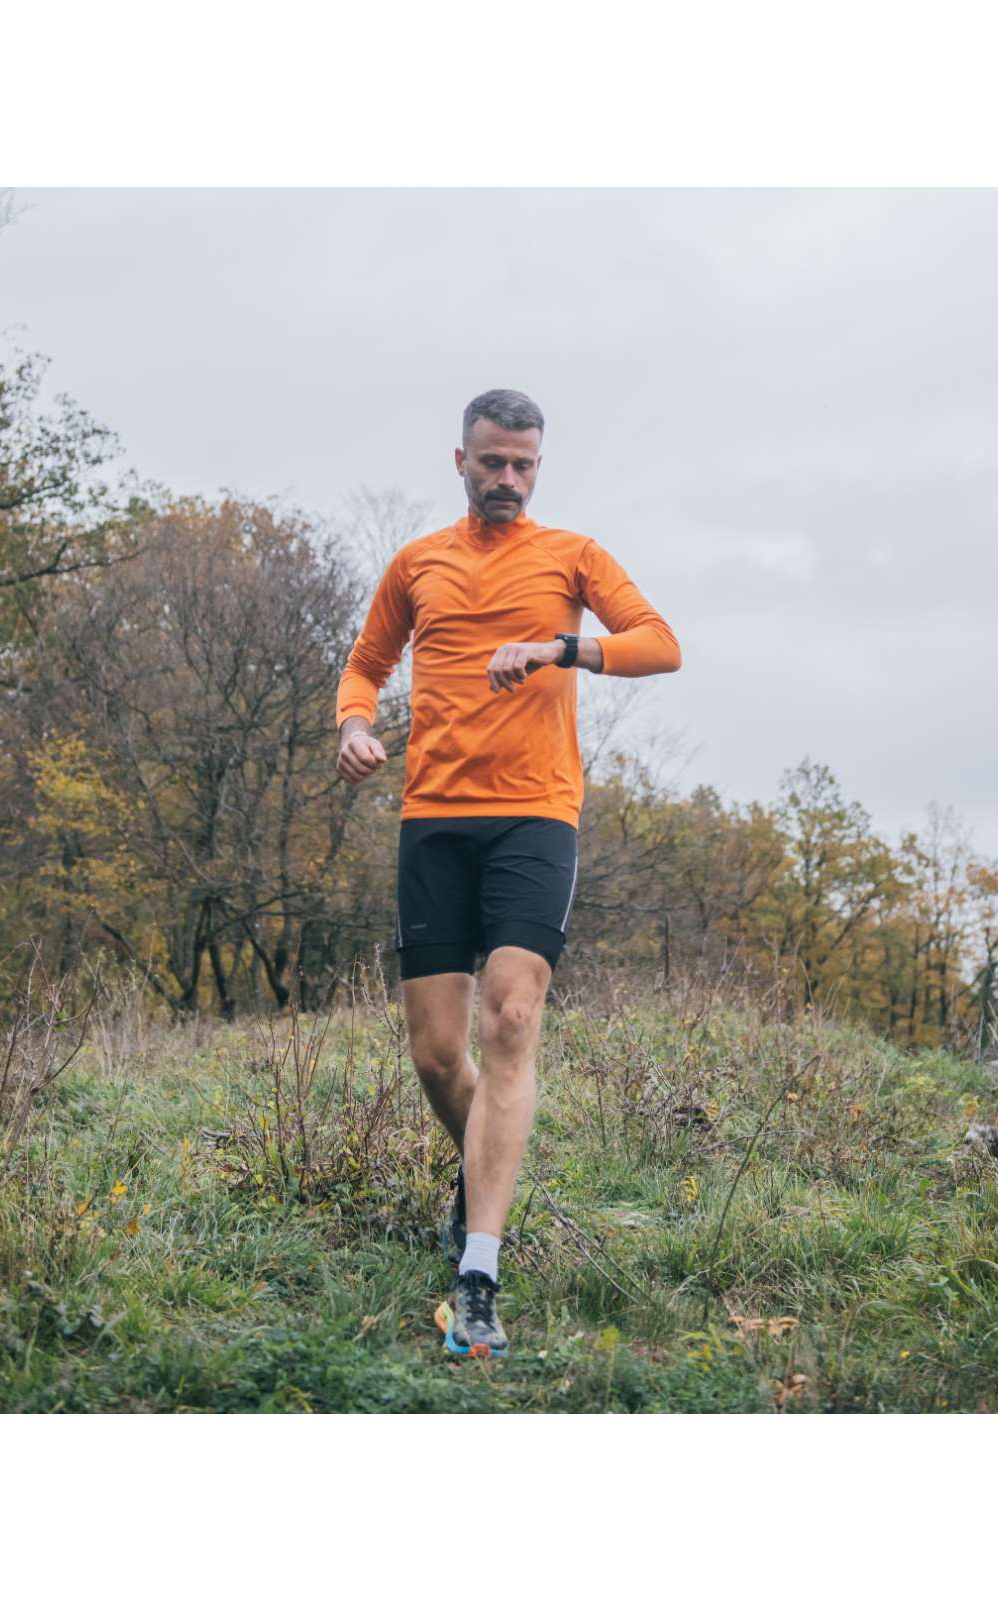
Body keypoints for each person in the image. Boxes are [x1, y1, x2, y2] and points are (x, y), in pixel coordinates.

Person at [334, 388, 683, 1356]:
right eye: (492, 462)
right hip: (434, 819)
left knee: (512, 1018)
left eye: (524, 465)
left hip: (537, 812)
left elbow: (663, 645)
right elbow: (364, 664)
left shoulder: (571, 555)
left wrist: (558, 646)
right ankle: (483, 1168)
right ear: (461, 461)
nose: (508, 479)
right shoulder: (418, 563)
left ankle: (478, 1270)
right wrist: (355, 725)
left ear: (539, 466)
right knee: (438, 1055)